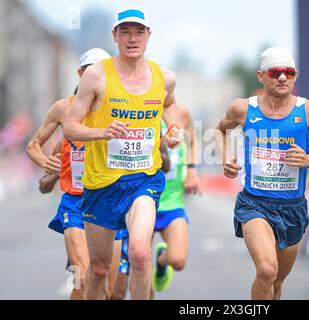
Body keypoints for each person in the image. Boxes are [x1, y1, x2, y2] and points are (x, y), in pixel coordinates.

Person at [63, 7, 182, 300]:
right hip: (101, 184)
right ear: (115, 36)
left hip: (143, 180)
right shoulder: (96, 76)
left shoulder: (164, 77)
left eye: (138, 32)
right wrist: (101, 133)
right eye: (125, 32)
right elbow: (69, 127)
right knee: (100, 270)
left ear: (148, 36)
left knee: (140, 254)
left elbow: (169, 104)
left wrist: (174, 128)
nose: (132, 39)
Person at [216, 47, 309, 300]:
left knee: (277, 281)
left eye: (289, 72)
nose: (283, 78)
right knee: (266, 270)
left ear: (295, 76)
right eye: (275, 72)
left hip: (292, 206)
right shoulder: (243, 109)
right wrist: (225, 158)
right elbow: (220, 130)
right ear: (261, 76)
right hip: (255, 204)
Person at [26, 48, 125, 299]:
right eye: (91, 70)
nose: (98, 75)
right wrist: (47, 164)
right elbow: (33, 145)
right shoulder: (64, 108)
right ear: (80, 73)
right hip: (76, 202)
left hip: (110, 200)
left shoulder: (120, 106)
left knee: (109, 290)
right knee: (84, 277)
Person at [110, 106, 201, 299]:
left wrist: (191, 169)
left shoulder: (182, 114)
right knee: (140, 263)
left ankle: (161, 260)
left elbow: (193, 142)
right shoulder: (137, 114)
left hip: (172, 202)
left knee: (178, 260)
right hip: (143, 199)